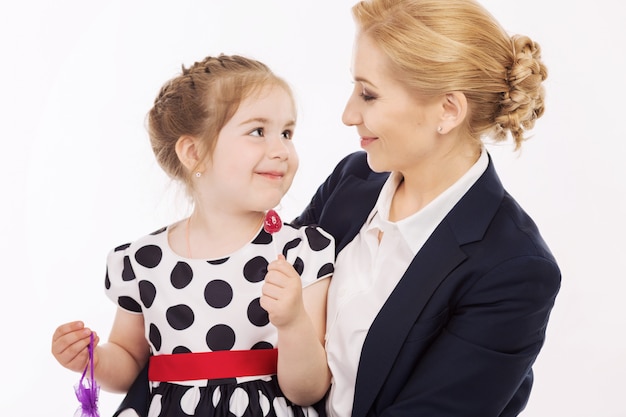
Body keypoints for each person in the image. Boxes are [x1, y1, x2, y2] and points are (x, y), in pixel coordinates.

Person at [115, 0, 562, 415]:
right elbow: (238, 320)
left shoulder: (514, 269)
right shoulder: (354, 180)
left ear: (447, 110)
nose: (348, 114)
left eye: (368, 94)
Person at [51, 54, 335, 417]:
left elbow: (307, 390)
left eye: (287, 133)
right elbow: (127, 365)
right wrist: (91, 358)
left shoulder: (301, 252)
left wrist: (293, 322)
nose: (281, 150)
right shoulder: (142, 262)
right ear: (194, 153)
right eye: (257, 131)